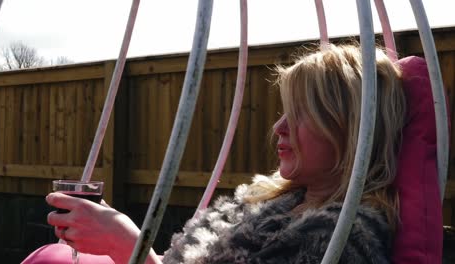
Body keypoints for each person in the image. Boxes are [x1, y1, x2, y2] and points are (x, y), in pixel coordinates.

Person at [23, 44, 406, 264]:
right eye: (283, 112)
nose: (278, 128)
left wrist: (132, 250)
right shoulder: (282, 199)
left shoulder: (339, 241)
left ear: (351, 129)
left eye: (302, 115)